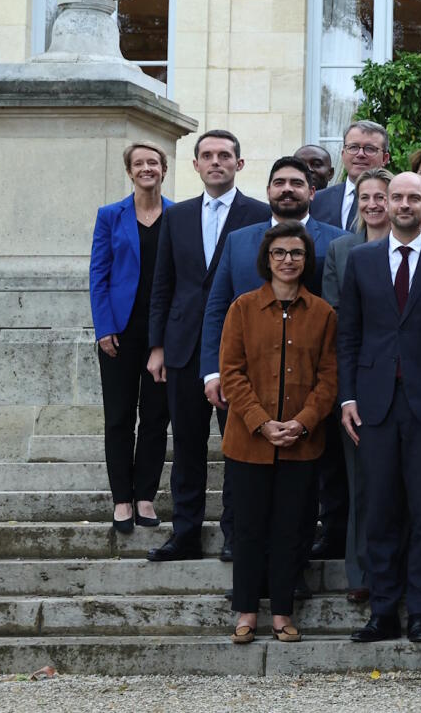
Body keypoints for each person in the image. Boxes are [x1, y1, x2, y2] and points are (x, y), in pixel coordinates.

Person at [336, 172, 421, 644]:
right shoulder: (361, 259)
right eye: (397, 197)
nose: (404, 204)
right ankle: (382, 612)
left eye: (415, 197)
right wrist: (348, 396)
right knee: (379, 510)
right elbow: (349, 335)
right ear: (384, 203)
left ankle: (419, 611)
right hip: (373, 403)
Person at [201, 156, 347, 574]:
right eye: (279, 182)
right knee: (243, 470)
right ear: (267, 190)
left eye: (297, 183)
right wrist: (212, 370)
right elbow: (217, 305)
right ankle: (238, 542)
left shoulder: (334, 240)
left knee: (315, 473)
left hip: (307, 386)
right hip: (246, 381)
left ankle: (314, 544)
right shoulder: (240, 239)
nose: (287, 189)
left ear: (312, 192)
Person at [146, 130, 270, 563]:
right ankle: (185, 534)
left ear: (239, 164)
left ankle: (235, 533)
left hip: (239, 352)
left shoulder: (260, 214)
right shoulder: (176, 216)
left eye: (224, 155)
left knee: (238, 446)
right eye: (207, 155)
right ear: (195, 165)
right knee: (188, 445)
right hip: (182, 348)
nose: (215, 161)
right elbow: (163, 284)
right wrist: (156, 345)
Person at [217, 222, 337, 645]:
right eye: (280, 253)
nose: (288, 260)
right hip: (249, 442)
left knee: (292, 529)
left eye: (297, 253)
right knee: (248, 528)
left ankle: (283, 612)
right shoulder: (242, 308)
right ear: (267, 259)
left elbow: (328, 378)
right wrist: (260, 421)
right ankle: (246, 612)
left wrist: (302, 421)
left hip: (301, 444)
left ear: (307, 261)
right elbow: (231, 373)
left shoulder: (323, 313)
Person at [91, 142, 172, 534]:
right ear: (129, 171)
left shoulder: (179, 215)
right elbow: (98, 274)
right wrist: (103, 326)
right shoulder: (110, 216)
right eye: (138, 163)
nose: (146, 168)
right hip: (119, 334)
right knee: (119, 418)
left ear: (163, 169)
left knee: (156, 418)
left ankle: (145, 497)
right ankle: (122, 499)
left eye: (153, 162)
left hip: (164, 334)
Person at [322, 167, 393, 605]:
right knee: (359, 482)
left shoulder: (416, 249)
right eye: (365, 197)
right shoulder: (340, 249)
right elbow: (335, 318)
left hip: (405, 380)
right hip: (359, 379)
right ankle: (360, 570)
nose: (373, 204)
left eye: (380, 196)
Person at [310, 121, 390, 231]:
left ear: (385, 158)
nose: (360, 154)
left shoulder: (396, 199)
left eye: (370, 148)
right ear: (343, 154)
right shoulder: (317, 201)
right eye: (353, 147)